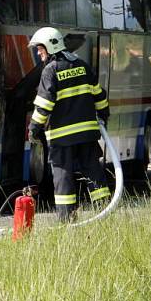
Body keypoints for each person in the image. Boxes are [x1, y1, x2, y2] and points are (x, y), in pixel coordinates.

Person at [27, 27, 110, 222]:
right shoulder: (82, 65)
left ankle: (66, 219)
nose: (39, 54)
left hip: (62, 138)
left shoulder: (50, 70)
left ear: (49, 47)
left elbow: (44, 106)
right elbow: (100, 97)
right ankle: (105, 212)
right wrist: (103, 116)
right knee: (94, 173)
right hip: (88, 135)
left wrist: (33, 129)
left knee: (63, 178)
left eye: (40, 50)